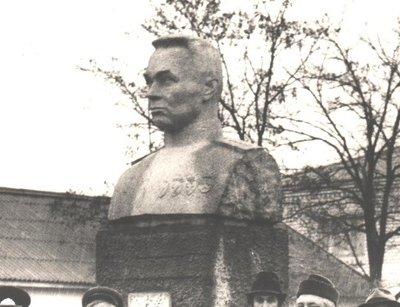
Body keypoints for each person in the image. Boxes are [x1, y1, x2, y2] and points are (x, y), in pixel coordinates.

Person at [109, 35, 281, 223]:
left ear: (208, 88)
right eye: (149, 82)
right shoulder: (131, 179)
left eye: (166, 81)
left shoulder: (244, 164)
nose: (151, 93)